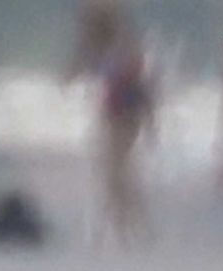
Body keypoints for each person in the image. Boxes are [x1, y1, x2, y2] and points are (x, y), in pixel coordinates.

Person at [71, 1, 154, 248]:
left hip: (126, 113)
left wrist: (150, 120)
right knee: (116, 171)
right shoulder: (103, 44)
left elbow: (141, 84)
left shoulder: (122, 44)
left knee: (115, 171)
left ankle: (123, 227)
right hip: (114, 113)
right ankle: (127, 226)